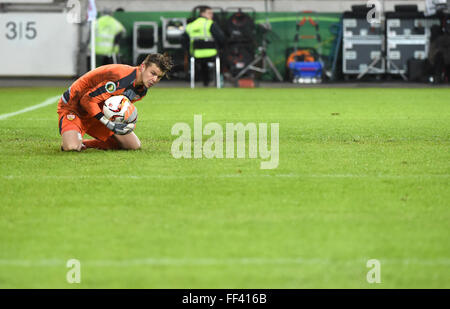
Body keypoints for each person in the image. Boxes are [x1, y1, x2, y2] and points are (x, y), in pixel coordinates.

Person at [58, 53, 173, 152]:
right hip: (75, 107)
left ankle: (83, 144)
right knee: (71, 147)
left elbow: (118, 107)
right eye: (153, 73)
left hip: (97, 111)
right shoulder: (121, 77)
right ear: (143, 66)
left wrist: (128, 122)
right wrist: (107, 123)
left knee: (133, 145)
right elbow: (86, 100)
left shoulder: (141, 90)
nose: (155, 80)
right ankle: (73, 141)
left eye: (159, 77)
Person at [184, 6, 225, 86]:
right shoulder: (210, 24)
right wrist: (220, 48)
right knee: (222, 57)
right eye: (209, 13)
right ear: (202, 13)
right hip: (212, 54)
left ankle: (205, 83)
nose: (212, 15)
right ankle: (219, 81)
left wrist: (189, 51)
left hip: (195, 54)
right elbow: (221, 38)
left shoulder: (190, 25)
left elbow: (184, 41)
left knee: (203, 63)